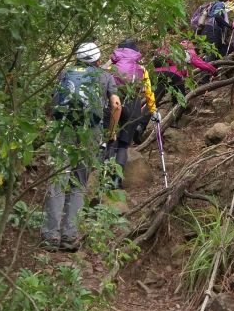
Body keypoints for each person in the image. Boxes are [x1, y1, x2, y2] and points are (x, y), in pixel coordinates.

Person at [41, 42, 121, 252]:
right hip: (90, 133)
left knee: (58, 180)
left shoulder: (66, 73)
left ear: (77, 57)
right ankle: (69, 236)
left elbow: (54, 103)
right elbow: (116, 105)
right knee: (79, 182)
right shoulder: (105, 76)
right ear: (97, 59)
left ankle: (50, 236)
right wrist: (111, 132)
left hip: (64, 130)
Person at [106, 39, 158, 188]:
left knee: (111, 141)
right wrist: (153, 110)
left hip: (113, 104)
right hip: (133, 106)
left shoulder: (111, 67)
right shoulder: (140, 68)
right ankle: (117, 180)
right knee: (123, 144)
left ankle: (106, 180)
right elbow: (148, 92)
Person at [153, 39, 218, 103]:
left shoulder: (174, 50)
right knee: (180, 91)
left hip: (157, 72)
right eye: (192, 44)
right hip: (172, 73)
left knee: (159, 93)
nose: (194, 47)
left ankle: (148, 110)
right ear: (188, 45)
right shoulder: (188, 52)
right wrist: (214, 71)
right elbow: (201, 64)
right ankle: (179, 106)